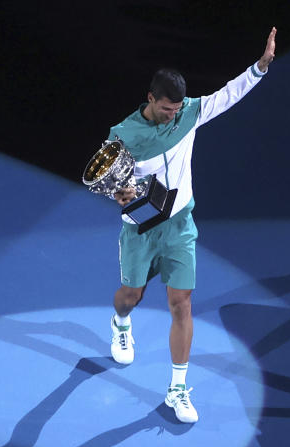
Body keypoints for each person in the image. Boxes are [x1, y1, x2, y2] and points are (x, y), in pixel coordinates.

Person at [107, 28, 277, 423]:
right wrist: (118, 193)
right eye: (167, 109)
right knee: (130, 295)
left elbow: (226, 96)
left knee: (181, 303)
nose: (173, 116)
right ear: (151, 99)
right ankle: (120, 323)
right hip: (140, 229)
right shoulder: (123, 134)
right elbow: (111, 180)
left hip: (180, 224)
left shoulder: (189, 113)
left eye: (177, 109)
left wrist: (260, 68)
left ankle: (178, 388)